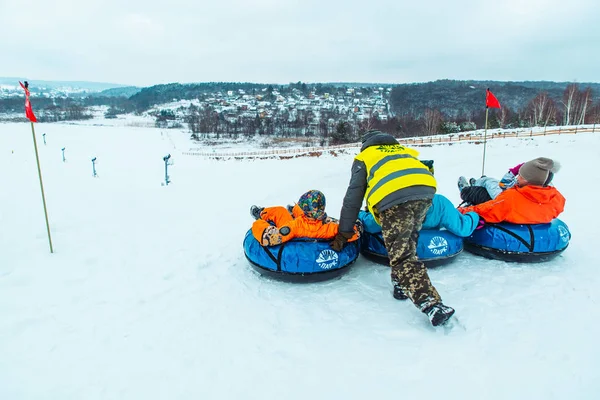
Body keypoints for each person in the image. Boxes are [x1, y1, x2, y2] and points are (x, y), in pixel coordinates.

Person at [331, 129, 455, 327]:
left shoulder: (365, 156)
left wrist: (344, 232)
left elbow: (353, 198)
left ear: (365, 144)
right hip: (426, 191)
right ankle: (400, 285)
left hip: (394, 199)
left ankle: (431, 305)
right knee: (408, 241)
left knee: (402, 255)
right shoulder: (403, 151)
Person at [458, 157, 565, 224]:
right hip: (523, 210)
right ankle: (474, 185)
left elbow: (487, 210)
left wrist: (460, 211)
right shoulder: (556, 198)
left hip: (504, 204)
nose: (517, 178)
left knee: (482, 190)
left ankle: (466, 190)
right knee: (490, 185)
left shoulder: (511, 199)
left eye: (521, 177)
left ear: (530, 180)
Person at [250, 190, 360, 246]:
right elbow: (355, 231)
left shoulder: (294, 226)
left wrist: (259, 224)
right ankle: (294, 209)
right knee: (298, 210)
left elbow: (269, 238)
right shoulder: (329, 228)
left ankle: (261, 213)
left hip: (297, 230)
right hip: (314, 226)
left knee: (280, 211)